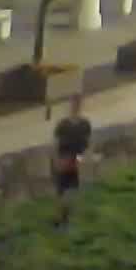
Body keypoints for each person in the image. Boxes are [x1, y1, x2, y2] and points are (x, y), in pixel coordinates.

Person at [51, 94, 96, 226]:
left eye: (78, 104)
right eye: (74, 104)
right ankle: (61, 216)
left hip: (75, 158)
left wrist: (85, 159)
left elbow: (88, 143)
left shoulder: (84, 124)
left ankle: (64, 216)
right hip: (64, 157)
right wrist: (56, 160)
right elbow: (56, 143)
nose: (76, 107)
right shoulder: (63, 125)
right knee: (63, 188)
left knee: (70, 189)